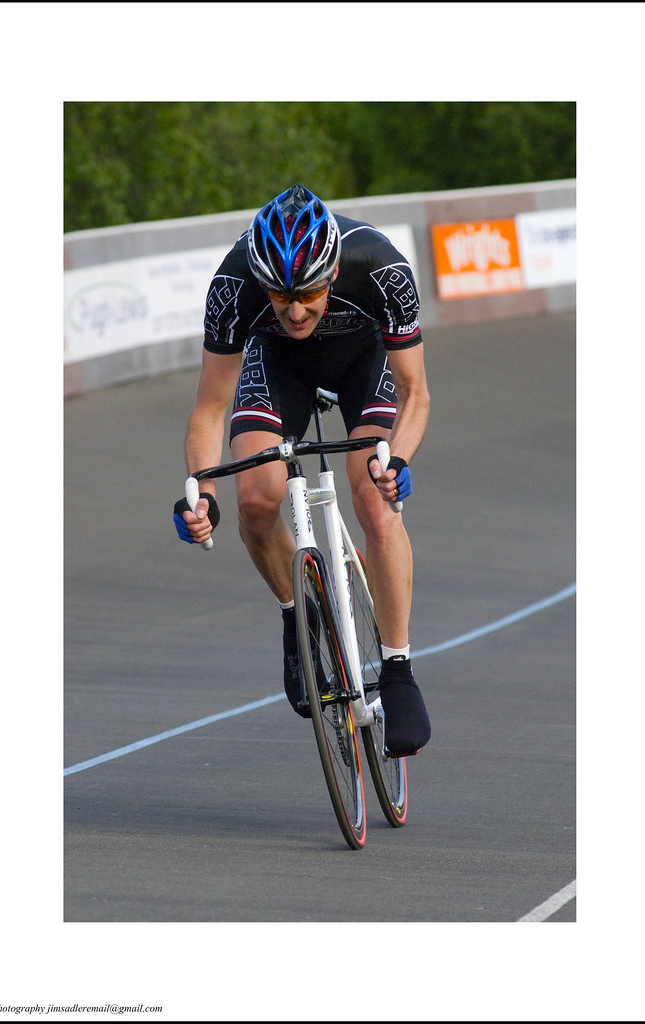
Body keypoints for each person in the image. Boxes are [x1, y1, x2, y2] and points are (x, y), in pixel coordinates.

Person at [174, 185, 431, 757]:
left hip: (363, 361)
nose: (294, 310)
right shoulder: (233, 284)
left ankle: (397, 668)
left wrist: (400, 458)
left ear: (334, 268)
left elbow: (416, 391)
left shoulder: (382, 267)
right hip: (277, 366)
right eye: (281, 295)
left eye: (309, 294)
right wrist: (203, 493)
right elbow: (209, 408)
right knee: (258, 502)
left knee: (372, 495)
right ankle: (298, 616)